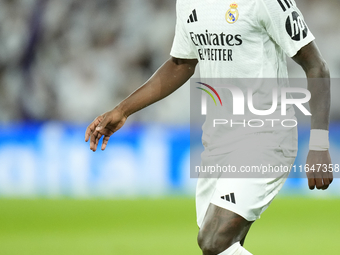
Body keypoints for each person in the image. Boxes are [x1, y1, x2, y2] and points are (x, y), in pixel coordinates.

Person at [85, 0, 333, 254]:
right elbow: (181, 64)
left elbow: (316, 66)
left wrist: (318, 144)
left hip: (265, 136)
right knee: (223, 248)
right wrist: (123, 110)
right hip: (217, 141)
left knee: (214, 242)